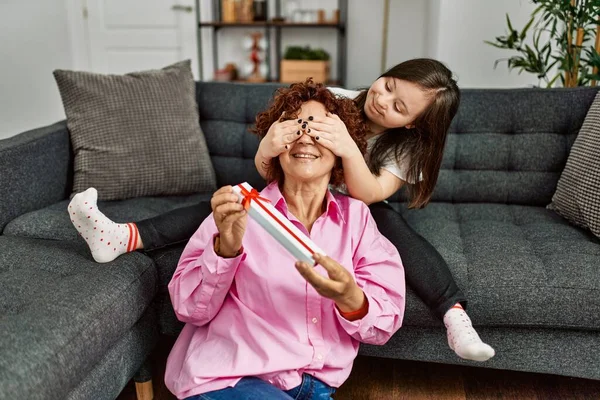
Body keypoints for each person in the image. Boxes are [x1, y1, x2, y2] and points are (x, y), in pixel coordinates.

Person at [68, 59, 494, 362]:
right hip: (293, 186)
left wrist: (346, 147)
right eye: (387, 86)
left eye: (400, 107)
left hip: (357, 202)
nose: (383, 101)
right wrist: (266, 147)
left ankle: (454, 317)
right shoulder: (338, 99)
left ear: (415, 125)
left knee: (397, 230)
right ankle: (123, 237)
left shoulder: (408, 147)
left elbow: (370, 193)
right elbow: (269, 166)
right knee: (230, 200)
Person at [164, 81, 405, 399]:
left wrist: (351, 299)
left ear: (343, 149)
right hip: (232, 377)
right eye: (294, 127)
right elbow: (188, 309)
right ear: (275, 145)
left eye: (320, 130)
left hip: (317, 386)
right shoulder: (239, 211)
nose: (305, 138)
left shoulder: (357, 220)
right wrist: (226, 250)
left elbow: (384, 322)